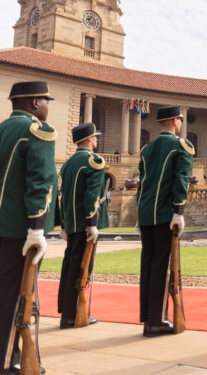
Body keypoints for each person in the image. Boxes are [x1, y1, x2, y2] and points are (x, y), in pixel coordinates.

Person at [0, 81, 57, 372]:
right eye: (46, 100)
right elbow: (40, 183)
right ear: (34, 103)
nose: (48, 105)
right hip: (18, 230)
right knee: (15, 297)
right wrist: (37, 228)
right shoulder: (37, 131)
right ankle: (8, 360)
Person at [136, 105, 194, 337]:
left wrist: (140, 219)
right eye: (180, 119)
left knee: (148, 265)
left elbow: (142, 183)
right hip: (164, 214)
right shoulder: (181, 146)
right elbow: (181, 179)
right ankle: (157, 320)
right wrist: (178, 211)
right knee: (163, 266)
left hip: (146, 213)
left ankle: (148, 317)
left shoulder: (147, 149)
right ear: (175, 121)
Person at [57, 122, 110, 329]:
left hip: (71, 224)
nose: (96, 139)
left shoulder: (69, 163)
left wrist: (63, 224)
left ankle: (67, 311)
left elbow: (64, 197)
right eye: (95, 136)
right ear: (89, 139)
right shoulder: (93, 161)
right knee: (81, 269)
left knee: (69, 266)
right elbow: (90, 197)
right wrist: (92, 223)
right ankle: (72, 315)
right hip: (84, 225)